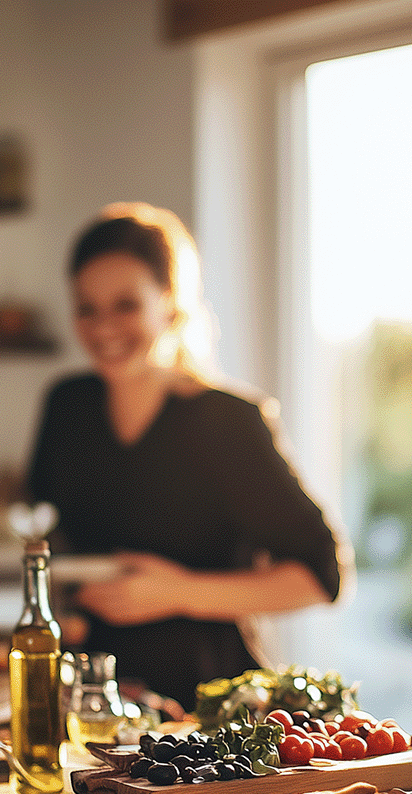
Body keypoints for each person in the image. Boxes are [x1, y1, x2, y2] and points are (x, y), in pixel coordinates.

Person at [27, 202, 350, 710]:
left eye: (125, 305)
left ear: (171, 303)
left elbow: (321, 576)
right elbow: (49, 539)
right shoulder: (67, 406)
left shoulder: (228, 422)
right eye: (86, 308)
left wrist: (176, 592)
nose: (102, 326)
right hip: (90, 701)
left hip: (208, 709)